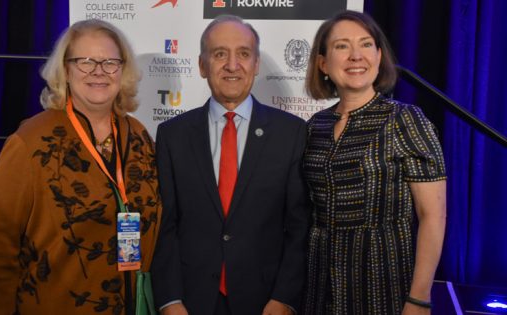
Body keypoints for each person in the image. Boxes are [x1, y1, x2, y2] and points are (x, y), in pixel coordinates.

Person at [0, 19, 161, 315]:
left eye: (110, 62)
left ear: (123, 70)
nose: (99, 71)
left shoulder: (139, 136)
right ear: (66, 71)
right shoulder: (30, 143)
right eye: (85, 62)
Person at [151, 15, 310, 315]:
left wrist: (284, 299)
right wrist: (170, 300)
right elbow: (165, 226)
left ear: (256, 64)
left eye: (244, 54)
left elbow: (299, 227)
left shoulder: (291, 133)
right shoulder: (173, 135)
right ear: (202, 65)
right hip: (190, 302)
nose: (232, 65)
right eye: (220, 53)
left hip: (265, 303)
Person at [301, 10, 447, 315]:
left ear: (379, 57)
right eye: (342, 46)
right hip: (319, 290)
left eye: (366, 45)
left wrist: (419, 298)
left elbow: (433, 215)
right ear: (323, 63)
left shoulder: (406, 120)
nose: (356, 56)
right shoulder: (316, 125)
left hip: (384, 289)